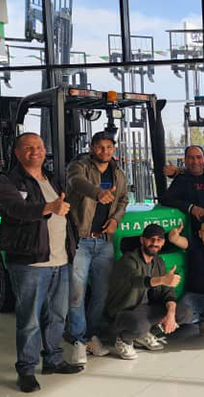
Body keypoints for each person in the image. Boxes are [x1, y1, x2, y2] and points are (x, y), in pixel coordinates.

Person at [0, 132, 82, 393]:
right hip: (30, 261)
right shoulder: (7, 180)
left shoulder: (51, 178)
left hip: (60, 259)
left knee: (57, 315)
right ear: (17, 152)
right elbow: (15, 209)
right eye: (29, 147)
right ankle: (26, 370)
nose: (36, 151)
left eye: (40, 147)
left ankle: (53, 360)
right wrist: (49, 208)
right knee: (30, 319)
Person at [63, 131, 128, 365]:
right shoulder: (79, 166)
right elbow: (76, 183)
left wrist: (115, 220)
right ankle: (78, 340)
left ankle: (90, 336)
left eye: (109, 147)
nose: (105, 151)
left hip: (104, 242)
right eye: (100, 147)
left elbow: (123, 200)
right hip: (80, 240)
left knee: (101, 294)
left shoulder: (118, 172)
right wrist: (97, 193)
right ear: (92, 148)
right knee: (76, 293)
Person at [104, 224, 192, 360]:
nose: (155, 243)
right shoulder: (128, 260)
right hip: (125, 311)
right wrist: (163, 280)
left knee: (185, 312)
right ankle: (123, 339)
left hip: (146, 310)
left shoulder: (158, 262)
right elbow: (137, 281)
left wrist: (171, 313)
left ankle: (143, 334)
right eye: (151, 239)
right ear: (142, 240)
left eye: (159, 240)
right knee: (140, 325)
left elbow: (168, 292)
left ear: (163, 242)